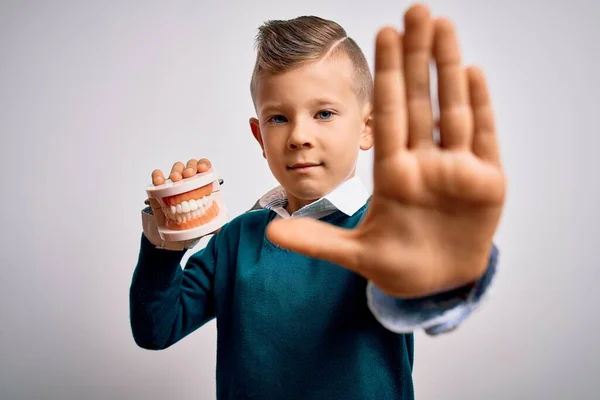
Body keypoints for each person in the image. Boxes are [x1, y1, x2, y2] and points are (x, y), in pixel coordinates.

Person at [130, 3, 505, 399]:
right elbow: (156, 329)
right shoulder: (236, 238)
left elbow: (417, 298)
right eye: (278, 118)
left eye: (324, 113)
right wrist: (162, 247)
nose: (299, 136)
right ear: (260, 138)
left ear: (368, 127)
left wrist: (444, 274)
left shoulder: (385, 231)